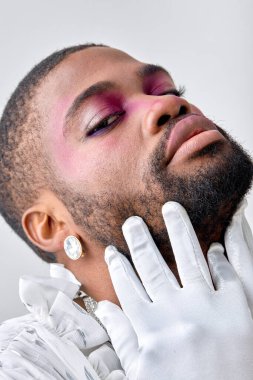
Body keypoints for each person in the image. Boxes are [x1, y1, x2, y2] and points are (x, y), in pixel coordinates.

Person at [0, 43, 253, 379]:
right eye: (105, 120)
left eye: (168, 89)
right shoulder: (22, 366)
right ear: (50, 225)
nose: (168, 103)